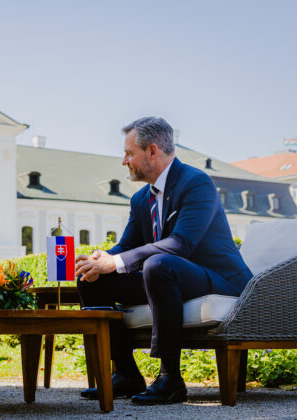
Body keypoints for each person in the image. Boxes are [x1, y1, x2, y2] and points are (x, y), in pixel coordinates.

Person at [75, 117, 252, 405]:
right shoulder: (140, 199)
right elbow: (127, 246)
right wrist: (102, 259)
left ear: (152, 151)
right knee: (91, 278)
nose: (124, 161)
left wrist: (117, 261)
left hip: (218, 280)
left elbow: (181, 243)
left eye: (129, 153)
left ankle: (170, 379)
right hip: (167, 278)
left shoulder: (196, 183)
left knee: (158, 264)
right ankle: (126, 374)